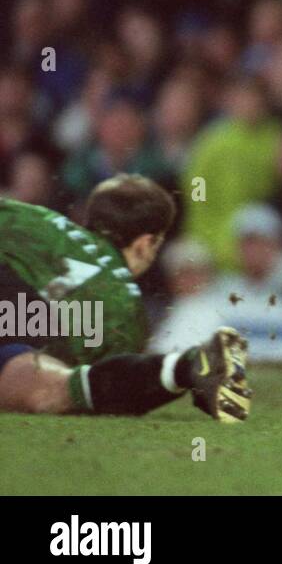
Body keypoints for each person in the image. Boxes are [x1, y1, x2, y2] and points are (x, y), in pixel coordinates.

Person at [0, 174, 250, 422]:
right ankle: (184, 368)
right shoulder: (127, 310)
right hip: (21, 315)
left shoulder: (34, 217)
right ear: (145, 243)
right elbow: (107, 392)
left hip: (15, 301)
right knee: (51, 388)